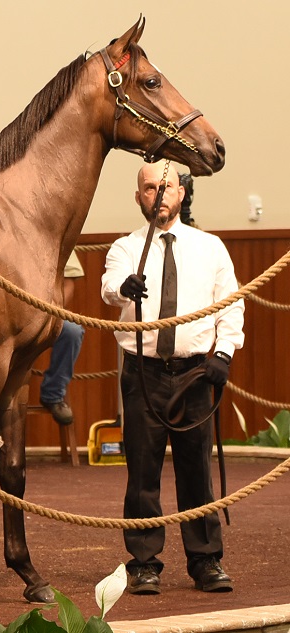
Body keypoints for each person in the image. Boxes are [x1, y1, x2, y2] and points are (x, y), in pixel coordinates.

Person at [101, 160, 244, 596]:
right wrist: (126, 287)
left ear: (181, 192)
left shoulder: (211, 247)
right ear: (138, 197)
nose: (157, 195)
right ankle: (144, 564)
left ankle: (205, 561)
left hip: (197, 373)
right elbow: (108, 287)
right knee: (141, 470)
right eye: (148, 189)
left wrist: (223, 353)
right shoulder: (125, 248)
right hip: (143, 373)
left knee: (195, 470)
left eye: (165, 187)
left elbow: (231, 305)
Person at [39, 251, 85, 426]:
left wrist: (51, 312)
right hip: (9, 316)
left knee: (72, 332)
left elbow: (68, 282)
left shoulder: (58, 233)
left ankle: (53, 394)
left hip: (46, 313)